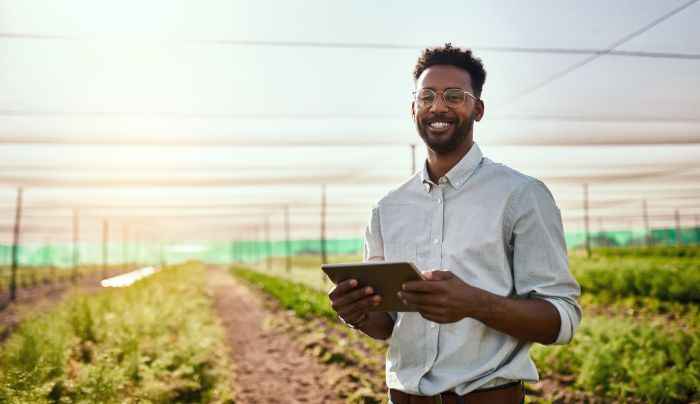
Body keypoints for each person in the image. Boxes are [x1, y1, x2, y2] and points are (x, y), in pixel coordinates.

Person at [327, 43, 582, 404]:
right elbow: (387, 326)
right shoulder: (387, 207)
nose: (438, 106)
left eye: (454, 96)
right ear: (413, 108)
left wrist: (473, 303)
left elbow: (561, 319)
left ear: (477, 109)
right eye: (427, 96)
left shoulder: (521, 195)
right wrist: (358, 314)